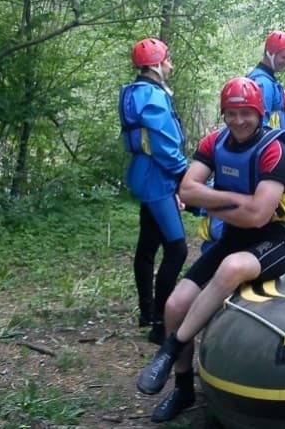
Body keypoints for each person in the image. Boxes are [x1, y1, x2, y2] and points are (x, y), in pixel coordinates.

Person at [135, 77, 285, 423]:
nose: (238, 121)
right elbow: (187, 189)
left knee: (229, 269)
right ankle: (182, 389)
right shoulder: (215, 142)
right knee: (175, 305)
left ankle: (169, 350)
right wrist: (234, 201)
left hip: (275, 240)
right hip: (233, 237)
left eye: (246, 113)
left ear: (259, 113)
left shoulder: (275, 150)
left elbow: (259, 217)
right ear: (223, 114)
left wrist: (210, 202)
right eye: (231, 113)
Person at [118, 38, 189, 345]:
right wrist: (185, 176)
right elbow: (164, 147)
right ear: (156, 65)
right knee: (177, 249)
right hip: (157, 180)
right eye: (168, 60)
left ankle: (146, 311)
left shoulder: (134, 91)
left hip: (144, 175)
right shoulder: (153, 97)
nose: (171, 65)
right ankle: (160, 323)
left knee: (148, 244)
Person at [247, 30, 285, 127]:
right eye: (283, 57)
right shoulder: (263, 84)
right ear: (269, 54)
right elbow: (260, 125)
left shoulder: (267, 80)